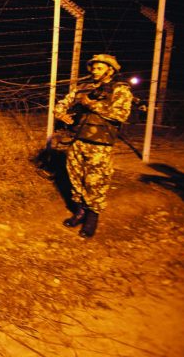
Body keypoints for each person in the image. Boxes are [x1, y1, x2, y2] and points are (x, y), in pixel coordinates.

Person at [54, 54, 132, 238]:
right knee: (76, 177)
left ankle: (92, 217)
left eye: (99, 68)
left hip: (100, 143)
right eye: (93, 68)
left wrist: (93, 106)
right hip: (78, 139)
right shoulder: (83, 88)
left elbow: (121, 115)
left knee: (95, 181)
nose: (95, 71)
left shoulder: (120, 90)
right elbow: (64, 103)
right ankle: (79, 211)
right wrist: (61, 114)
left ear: (110, 70)